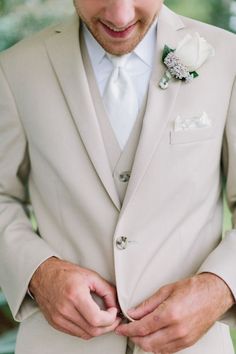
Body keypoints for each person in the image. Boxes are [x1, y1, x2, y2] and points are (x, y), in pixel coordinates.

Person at [0, 0, 236, 353]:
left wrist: (221, 286)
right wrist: (38, 272)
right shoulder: (14, 69)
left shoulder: (228, 59)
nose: (120, 16)